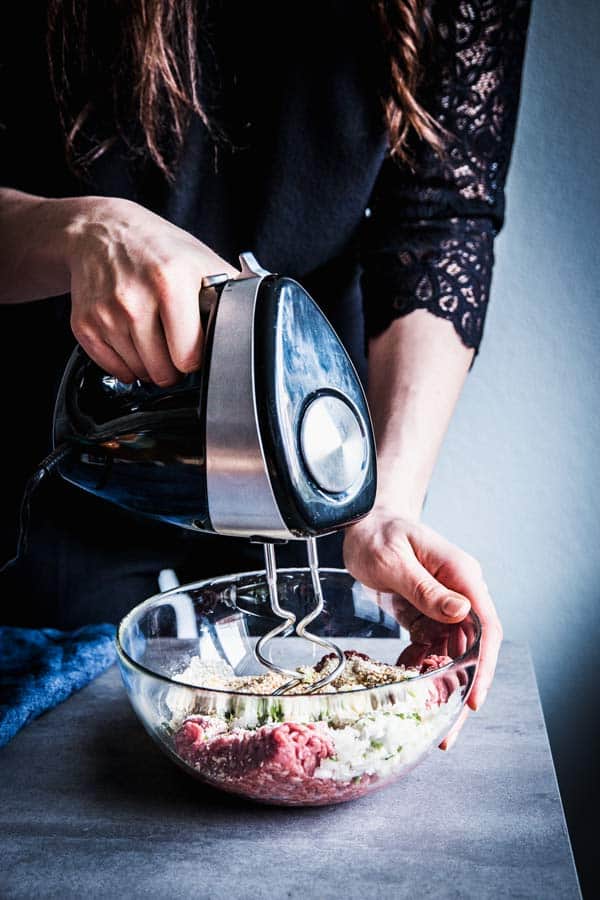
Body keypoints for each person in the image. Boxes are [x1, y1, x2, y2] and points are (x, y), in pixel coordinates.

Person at [0, 1, 530, 749]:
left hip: (305, 428)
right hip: (69, 423)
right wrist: (80, 231)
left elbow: (443, 218)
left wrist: (381, 503)